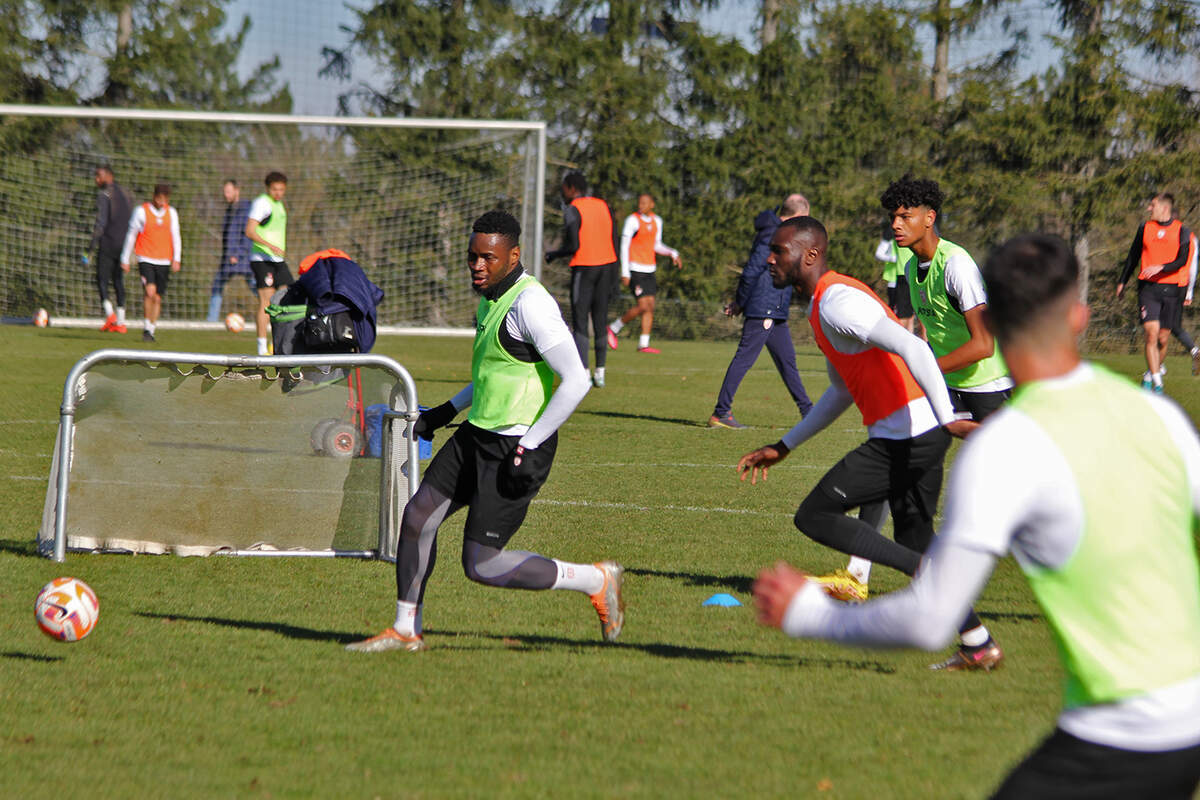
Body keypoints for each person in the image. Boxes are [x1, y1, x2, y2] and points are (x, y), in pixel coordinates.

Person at [753, 233, 1200, 798]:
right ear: (1081, 316)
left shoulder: (1006, 447)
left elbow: (928, 619)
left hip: (1121, 736)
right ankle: (980, 644)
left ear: (994, 324)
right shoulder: (1161, 416)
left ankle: (977, 641)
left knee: (901, 540)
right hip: (1192, 722)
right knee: (917, 533)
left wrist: (808, 616)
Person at [347, 210, 624, 653]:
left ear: (513, 256)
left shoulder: (530, 304)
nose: (477, 266)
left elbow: (577, 379)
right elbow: (496, 374)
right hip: (476, 435)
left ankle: (596, 578)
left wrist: (529, 444)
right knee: (418, 517)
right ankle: (405, 630)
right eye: (472, 257)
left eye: (488, 258)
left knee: (483, 565)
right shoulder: (492, 297)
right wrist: (444, 411)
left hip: (516, 448)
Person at [735, 216, 1001, 672]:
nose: (770, 258)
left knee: (815, 515)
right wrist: (785, 445)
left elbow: (914, 348)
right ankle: (978, 644)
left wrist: (947, 417)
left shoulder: (837, 301)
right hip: (917, 433)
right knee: (916, 535)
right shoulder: (824, 305)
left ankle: (920, 572)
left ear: (810, 254)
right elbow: (841, 391)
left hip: (911, 434)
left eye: (779, 251)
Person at [708, 193, 814, 429]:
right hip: (763, 306)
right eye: (803, 219)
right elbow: (752, 270)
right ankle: (721, 412)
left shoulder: (781, 233)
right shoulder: (773, 234)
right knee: (744, 359)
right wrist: (740, 302)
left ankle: (808, 411)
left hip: (775, 309)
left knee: (788, 362)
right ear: (796, 215)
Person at [545, 172, 618, 387]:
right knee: (600, 319)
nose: (561, 192)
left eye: (563, 188)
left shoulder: (573, 208)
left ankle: (583, 373)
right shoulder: (603, 205)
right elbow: (613, 239)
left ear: (570, 188)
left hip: (584, 268)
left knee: (580, 321)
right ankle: (601, 373)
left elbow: (574, 245)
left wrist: (554, 254)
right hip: (606, 268)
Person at [1116, 192, 1191, 393]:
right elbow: (1133, 256)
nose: (1149, 208)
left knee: (1163, 339)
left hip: (1172, 289)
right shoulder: (1144, 228)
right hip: (1147, 290)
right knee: (1151, 334)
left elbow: (1182, 260)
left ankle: (1150, 373)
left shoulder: (1182, 230)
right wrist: (1122, 281)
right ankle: (1158, 384)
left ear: (1164, 208)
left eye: (1152, 205)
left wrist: (1162, 268)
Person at [605, 192, 681, 354]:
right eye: (640, 203)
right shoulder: (632, 221)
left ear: (652, 204)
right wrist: (625, 272)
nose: (641, 206)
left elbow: (656, 245)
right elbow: (624, 246)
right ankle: (613, 328)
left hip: (649, 270)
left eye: (645, 203)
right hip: (635, 269)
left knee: (650, 307)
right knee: (642, 306)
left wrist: (672, 252)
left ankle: (643, 344)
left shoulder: (657, 221)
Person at [119, 183, 181, 343]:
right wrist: (125, 258)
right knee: (150, 292)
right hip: (146, 258)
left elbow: (176, 236)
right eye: (160, 198)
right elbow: (131, 235)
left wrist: (177, 258)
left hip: (164, 260)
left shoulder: (171, 213)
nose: (162, 202)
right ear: (154, 197)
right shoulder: (141, 212)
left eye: (165, 199)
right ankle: (146, 328)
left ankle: (152, 330)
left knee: (158, 298)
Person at [245, 171, 294, 355]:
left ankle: (279, 343)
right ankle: (261, 347)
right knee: (267, 302)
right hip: (262, 260)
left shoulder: (279, 205)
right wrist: (270, 246)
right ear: (267, 188)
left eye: (282, 189)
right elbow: (249, 231)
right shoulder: (262, 203)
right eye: (275, 189)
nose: (278, 193)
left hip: (278, 261)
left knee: (288, 299)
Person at [90, 165, 134, 334]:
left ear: (108, 176)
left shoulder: (104, 194)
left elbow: (100, 223)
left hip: (108, 243)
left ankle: (110, 316)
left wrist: (90, 248)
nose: (96, 179)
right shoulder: (125, 193)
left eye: (98, 176)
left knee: (101, 279)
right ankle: (121, 323)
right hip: (124, 245)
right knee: (118, 281)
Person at [206, 179, 254, 322]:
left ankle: (274, 312)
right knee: (217, 285)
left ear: (237, 190)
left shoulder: (245, 210)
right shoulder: (230, 211)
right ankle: (211, 321)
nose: (225, 195)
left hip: (241, 258)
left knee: (257, 288)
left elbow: (248, 235)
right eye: (224, 191)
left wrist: (238, 254)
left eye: (228, 191)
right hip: (229, 259)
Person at [873, 219, 915, 333]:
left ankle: (909, 341)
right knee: (898, 313)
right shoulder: (892, 234)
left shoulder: (911, 234)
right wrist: (894, 259)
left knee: (909, 314)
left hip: (908, 278)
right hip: (895, 279)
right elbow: (879, 253)